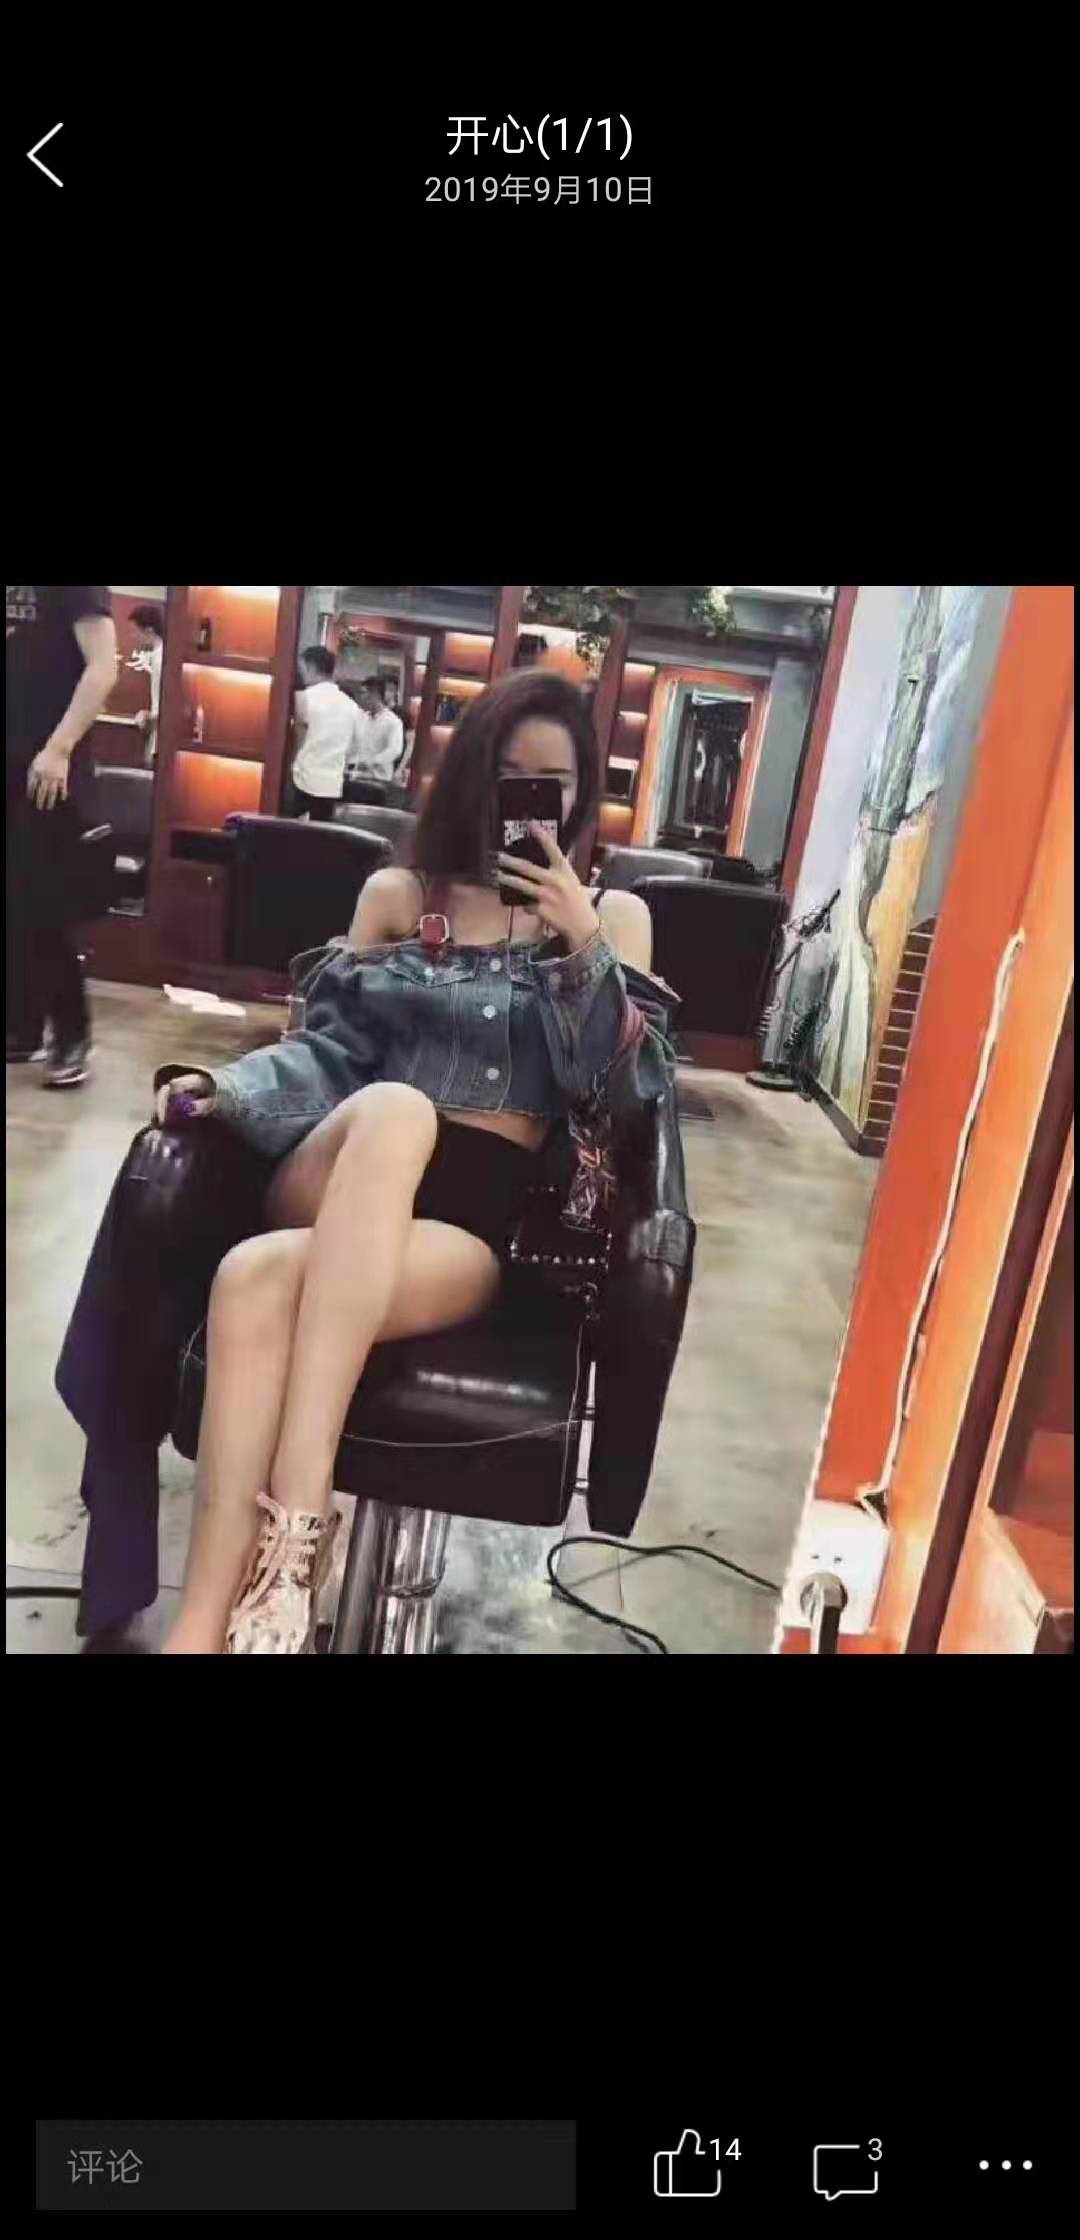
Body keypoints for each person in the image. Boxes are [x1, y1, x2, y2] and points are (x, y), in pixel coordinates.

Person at [149, 666, 673, 1653]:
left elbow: (626, 1100)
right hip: (346, 1162)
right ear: (472, 772)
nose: (532, 800)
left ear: (581, 793)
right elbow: (328, 1054)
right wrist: (228, 1088)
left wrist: (582, 947)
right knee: (393, 1110)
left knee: (254, 1278)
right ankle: (302, 1515)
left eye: (555, 781)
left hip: (474, 1218)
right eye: (510, 773)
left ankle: (200, 1629)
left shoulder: (613, 916)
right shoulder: (401, 896)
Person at [6, 586, 119, 1088]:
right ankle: (21, 1027)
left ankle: (71, 1036)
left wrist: (59, 747)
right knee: (13, 901)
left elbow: (103, 667)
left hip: (48, 765)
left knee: (46, 901)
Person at [290, 644, 366, 820]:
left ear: (310, 667)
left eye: (302, 668)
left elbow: (298, 738)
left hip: (302, 779)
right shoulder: (352, 707)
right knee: (323, 833)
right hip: (332, 785)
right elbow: (355, 749)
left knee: (293, 831)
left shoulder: (303, 697)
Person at [348, 673, 405, 783]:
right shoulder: (361, 718)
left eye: (363, 693)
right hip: (356, 776)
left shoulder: (393, 721)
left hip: (378, 779)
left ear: (375, 695)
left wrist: (371, 762)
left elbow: (394, 750)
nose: (360, 698)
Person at [128, 604, 164, 768]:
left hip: (160, 738)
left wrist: (148, 717)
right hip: (156, 734)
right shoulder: (159, 655)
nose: (133, 636)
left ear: (149, 631)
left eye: (135, 631)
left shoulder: (161, 658)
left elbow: (166, 704)